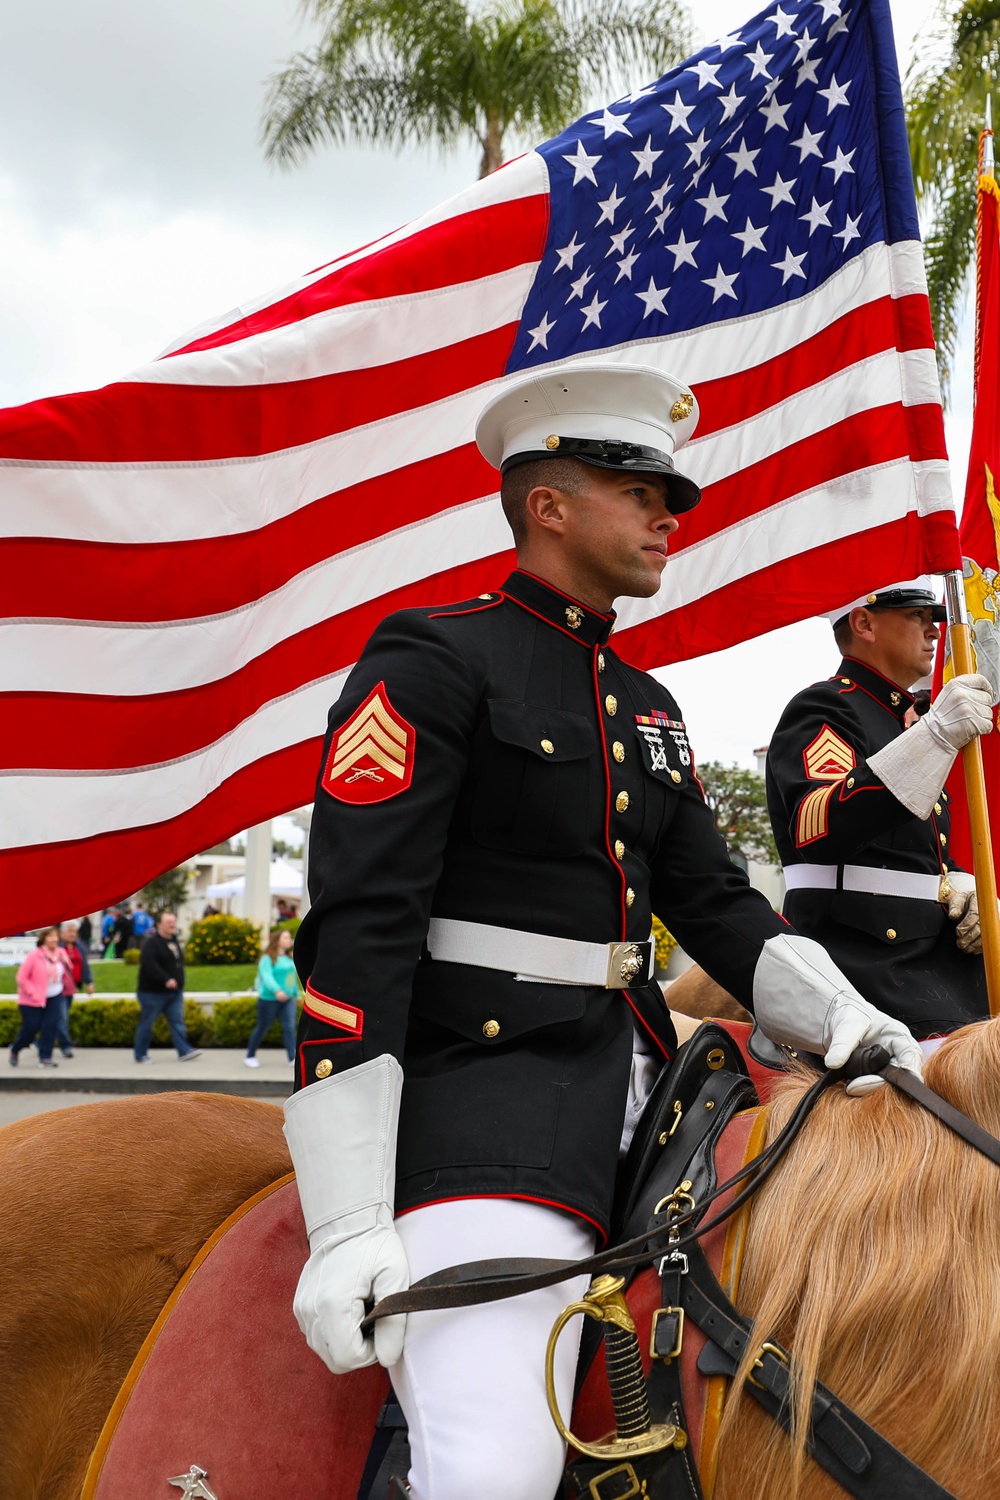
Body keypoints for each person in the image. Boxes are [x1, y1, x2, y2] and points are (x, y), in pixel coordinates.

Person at [282, 363, 927, 1500]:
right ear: (549, 504)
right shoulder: (435, 660)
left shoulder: (646, 704)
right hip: (487, 1096)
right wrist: (344, 1220)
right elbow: (361, 929)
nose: (670, 517)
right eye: (642, 492)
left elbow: (718, 907)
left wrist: (851, 1023)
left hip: (650, 1081)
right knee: (493, 1471)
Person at [766, 579, 992, 1046]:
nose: (934, 630)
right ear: (864, 621)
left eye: (934, 618)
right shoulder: (827, 706)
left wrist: (958, 880)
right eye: (918, 616)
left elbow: (912, 852)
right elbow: (817, 824)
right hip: (866, 965)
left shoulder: (906, 719)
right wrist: (932, 739)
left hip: (934, 967)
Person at [134, 912, 202, 1064]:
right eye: (168, 922)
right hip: (152, 993)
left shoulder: (174, 941)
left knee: (177, 1022)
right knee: (147, 1023)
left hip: (173, 993)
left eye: (173, 922)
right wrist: (165, 980)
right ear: (159, 924)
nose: (172, 925)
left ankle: (184, 1051)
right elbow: (150, 965)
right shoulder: (151, 943)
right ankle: (141, 1054)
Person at [11, 928, 72, 1067]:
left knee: (50, 1027)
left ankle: (45, 1057)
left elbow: (68, 971)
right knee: (30, 1029)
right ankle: (15, 1049)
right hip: (32, 1000)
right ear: (43, 939)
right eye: (50, 936)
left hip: (55, 995)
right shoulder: (35, 956)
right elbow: (21, 978)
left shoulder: (60, 954)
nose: (54, 939)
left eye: (56, 936)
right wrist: (33, 993)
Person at [244, 929, 300, 1069]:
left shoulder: (289, 958)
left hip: (287, 1000)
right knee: (262, 1027)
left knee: (289, 1027)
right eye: (286, 937)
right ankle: (250, 1056)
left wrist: (296, 994)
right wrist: (277, 991)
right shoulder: (267, 959)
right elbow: (266, 976)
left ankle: (292, 1058)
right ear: (278, 940)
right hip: (269, 1000)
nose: (289, 940)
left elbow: (291, 978)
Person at [57, 920, 95, 1059]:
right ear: (62, 933)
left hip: (71, 989)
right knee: (62, 1018)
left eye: (75, 931)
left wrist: (89, 982)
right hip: (58, 989)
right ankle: (66, 1046)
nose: (73, 934)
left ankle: (40, 1041)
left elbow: (85, 965)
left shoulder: (79, 946)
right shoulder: (56, 947)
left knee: (57, 1017)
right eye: (70, 931)